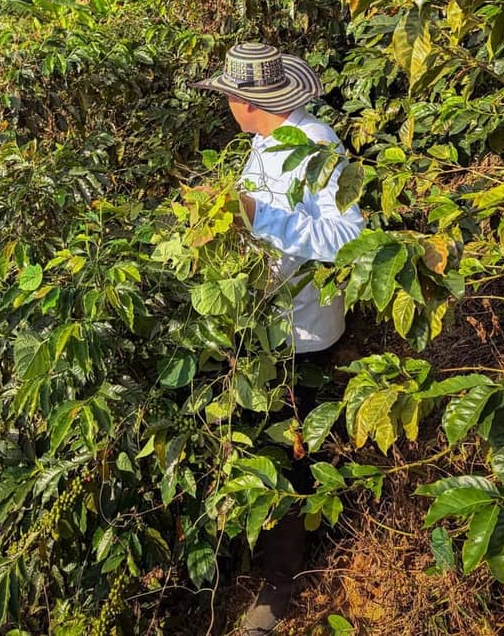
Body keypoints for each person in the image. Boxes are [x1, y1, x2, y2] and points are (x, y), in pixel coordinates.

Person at [193, 41, 365, 635]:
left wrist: (256, 217)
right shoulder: (263, 144)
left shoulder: (315, 144)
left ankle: (281, 584)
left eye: (228, 98)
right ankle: (260, 555)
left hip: (304, 334)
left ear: (245, 101)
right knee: (262, 446)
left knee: (292, 460)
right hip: (266, 328)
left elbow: (347, 236)